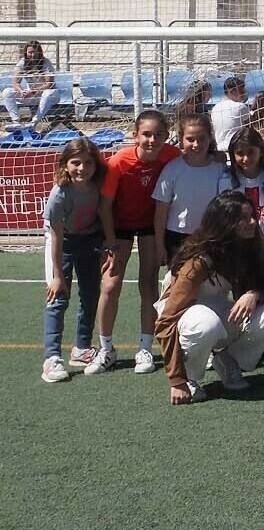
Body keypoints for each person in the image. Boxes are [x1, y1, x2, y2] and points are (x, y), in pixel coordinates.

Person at [154, 191, 264, 404]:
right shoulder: (198, 260)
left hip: (216, 308)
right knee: (207, 325)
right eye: (243, 218)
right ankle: (190, 377)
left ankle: (227, 360)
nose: (252, 222)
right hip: (185, 315)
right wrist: (176, 380)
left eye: (252, 215)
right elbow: (166, 320)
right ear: (225, 223)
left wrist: (254, 294)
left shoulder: (248, 245)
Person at [87, 110, 180, 376]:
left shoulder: (172, 156)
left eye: (158, 134)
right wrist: (111, 241)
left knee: (148, 283)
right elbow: (105, 206)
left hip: (151, 225)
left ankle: (145, 347)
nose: (152, 140)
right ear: (135, 135)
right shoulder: (118, 162)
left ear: (166, 135)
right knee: (110, 283)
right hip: (119, 226)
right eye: (147, 134)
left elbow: (198, 158)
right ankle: (106, 349)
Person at [40, 138, 106, 382]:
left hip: (89, 242)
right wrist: (57, 275)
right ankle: (52, 358)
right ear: (65, 164)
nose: (82, 168)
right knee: (57, 298)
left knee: (90, 295)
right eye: (76, 163)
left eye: (88, 163)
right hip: (63, 244)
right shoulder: (60, 193)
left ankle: (81, 348)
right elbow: (55, 235)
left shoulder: (99, 185)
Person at [152, 114, 229, 267]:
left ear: (210, 138)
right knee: (180, 286)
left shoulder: (220, 168)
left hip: (211, 236)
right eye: (190, 139)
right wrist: (160, 245)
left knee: (211, 285)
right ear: (181, 139)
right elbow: (160, 213)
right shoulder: (172, 170)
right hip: (178, 237)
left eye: (202, 139)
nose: (196, 144)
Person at [224, 127, 264, 236]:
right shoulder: (227, 180)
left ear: (261, 151)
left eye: (251, 152)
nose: (246, 158)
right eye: (240, 153)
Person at [5, 40, 63, 127]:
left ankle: (34, 122)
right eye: (30, 52)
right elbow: (16, 83)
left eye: (35, 52)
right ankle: (16, 122)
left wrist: (33, 91)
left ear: (39, 52)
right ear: (26, 52)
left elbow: (49, 84)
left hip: (48, 96)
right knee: (7, 92)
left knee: (48, 93)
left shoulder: (46, 63)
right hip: (31, 96)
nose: (33, 55)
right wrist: (21, 91)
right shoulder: (22, 63)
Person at [211, 75, 250, 150]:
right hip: (236, 147)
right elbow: (252, 123)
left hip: (219, 148)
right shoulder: (240, 106)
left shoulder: (215, 107)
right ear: (232, 92)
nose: (244, 93)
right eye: (241, 91)